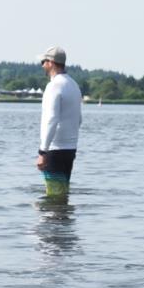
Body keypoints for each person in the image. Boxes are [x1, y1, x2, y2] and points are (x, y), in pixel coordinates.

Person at [35, 46, 82, 198]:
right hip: (70, 149)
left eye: (44, 61)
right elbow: (79, 119)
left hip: (54, 150)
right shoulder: (73, 85)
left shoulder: (54, 86)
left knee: (53, 198)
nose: (42, 65)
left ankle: (55, 220)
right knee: (62, 195)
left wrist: (43, 151)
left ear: (51, 63)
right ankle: (64, 220)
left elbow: (51, 119)